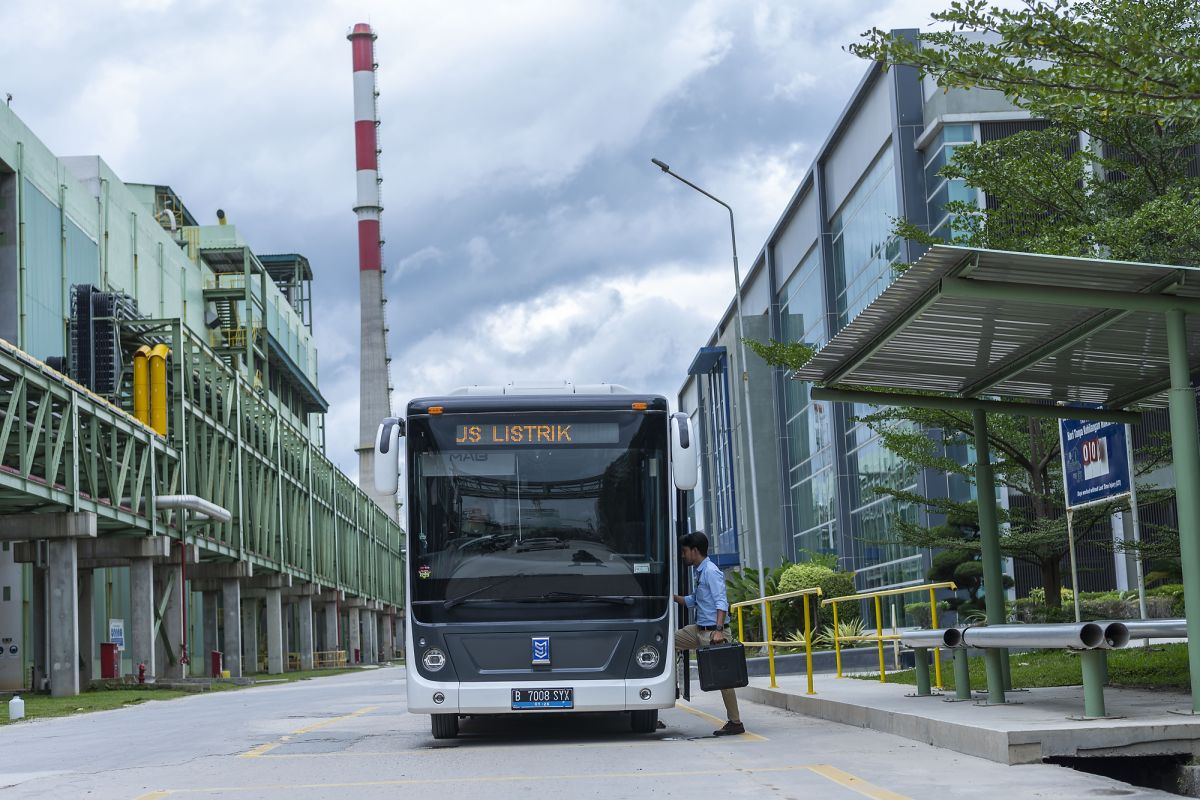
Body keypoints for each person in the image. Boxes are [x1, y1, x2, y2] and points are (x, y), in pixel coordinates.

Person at [673, 531, 744, 736]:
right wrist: (670, 597)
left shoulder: (711, 571)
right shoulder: (700, 571)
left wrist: (719, 631)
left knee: (725, 679)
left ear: (695, 551)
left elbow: (722, 602)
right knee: (668, 644)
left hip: (714, 632)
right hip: (699, 630)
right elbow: (693, 600)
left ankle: (735, 722)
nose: (683, 555)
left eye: (684, 551)